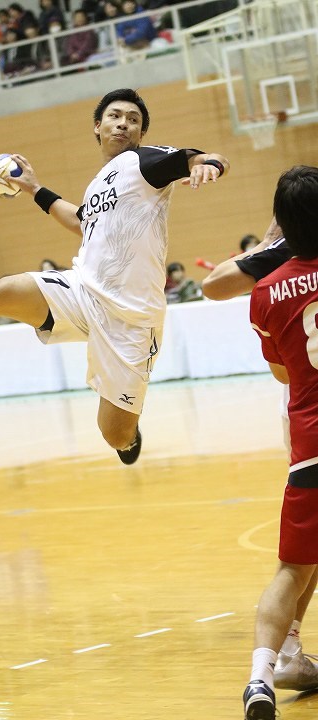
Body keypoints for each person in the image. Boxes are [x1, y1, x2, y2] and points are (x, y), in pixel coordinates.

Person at [0, 88, 229, 465]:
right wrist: (35, 189)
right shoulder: (100, 182)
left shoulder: (144, 161)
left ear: (141, 134)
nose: (123, 124)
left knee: (114, 434)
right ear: (97, 126)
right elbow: (81, 222)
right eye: (115, 116)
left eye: (133, 120)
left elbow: (200, 158)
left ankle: (128, 436)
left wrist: (209, 164)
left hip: (132, 318)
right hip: (81, 291)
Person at [202, 212, 318, 704]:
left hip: (306, 427)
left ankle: (275, 661)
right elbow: (213, 284)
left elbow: (280, 372)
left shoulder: (268, 285)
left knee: (300, 560)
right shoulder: (277, 264)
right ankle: (286, 650)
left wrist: (273, 243)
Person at [241, 165, 318, 718]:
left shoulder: (266, 291)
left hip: (309, 442)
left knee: (292, 569)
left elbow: (282, 373)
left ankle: (261, 678)